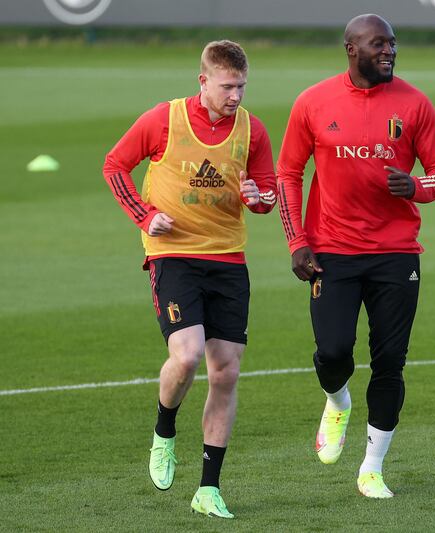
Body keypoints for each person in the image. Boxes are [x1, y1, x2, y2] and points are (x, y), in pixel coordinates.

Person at [276, 14, 435, 499]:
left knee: (390, 361)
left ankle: (372, 467)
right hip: (331, 251)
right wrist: (297, 241)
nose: (389, 52)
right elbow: (288, 174)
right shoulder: (313, 102)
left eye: (393, 44)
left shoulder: (415, 103)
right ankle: (337, 400)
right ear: (351, 49)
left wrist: (415, 186)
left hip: (396, 253)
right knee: (333, 352)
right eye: (379, 45)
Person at [103, 40, 277, 518]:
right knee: (188, 354)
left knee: (227, 371)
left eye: (242, 86)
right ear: (203, 81)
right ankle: (164, 431)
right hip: (173, 255)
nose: (236, 95)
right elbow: (115, 165)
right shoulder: (164, 119)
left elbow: (268, 198)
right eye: (227, 86)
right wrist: (144, 215)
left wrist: (256, 196)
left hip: (228, 260)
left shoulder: (252, 130)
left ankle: (208, 488)